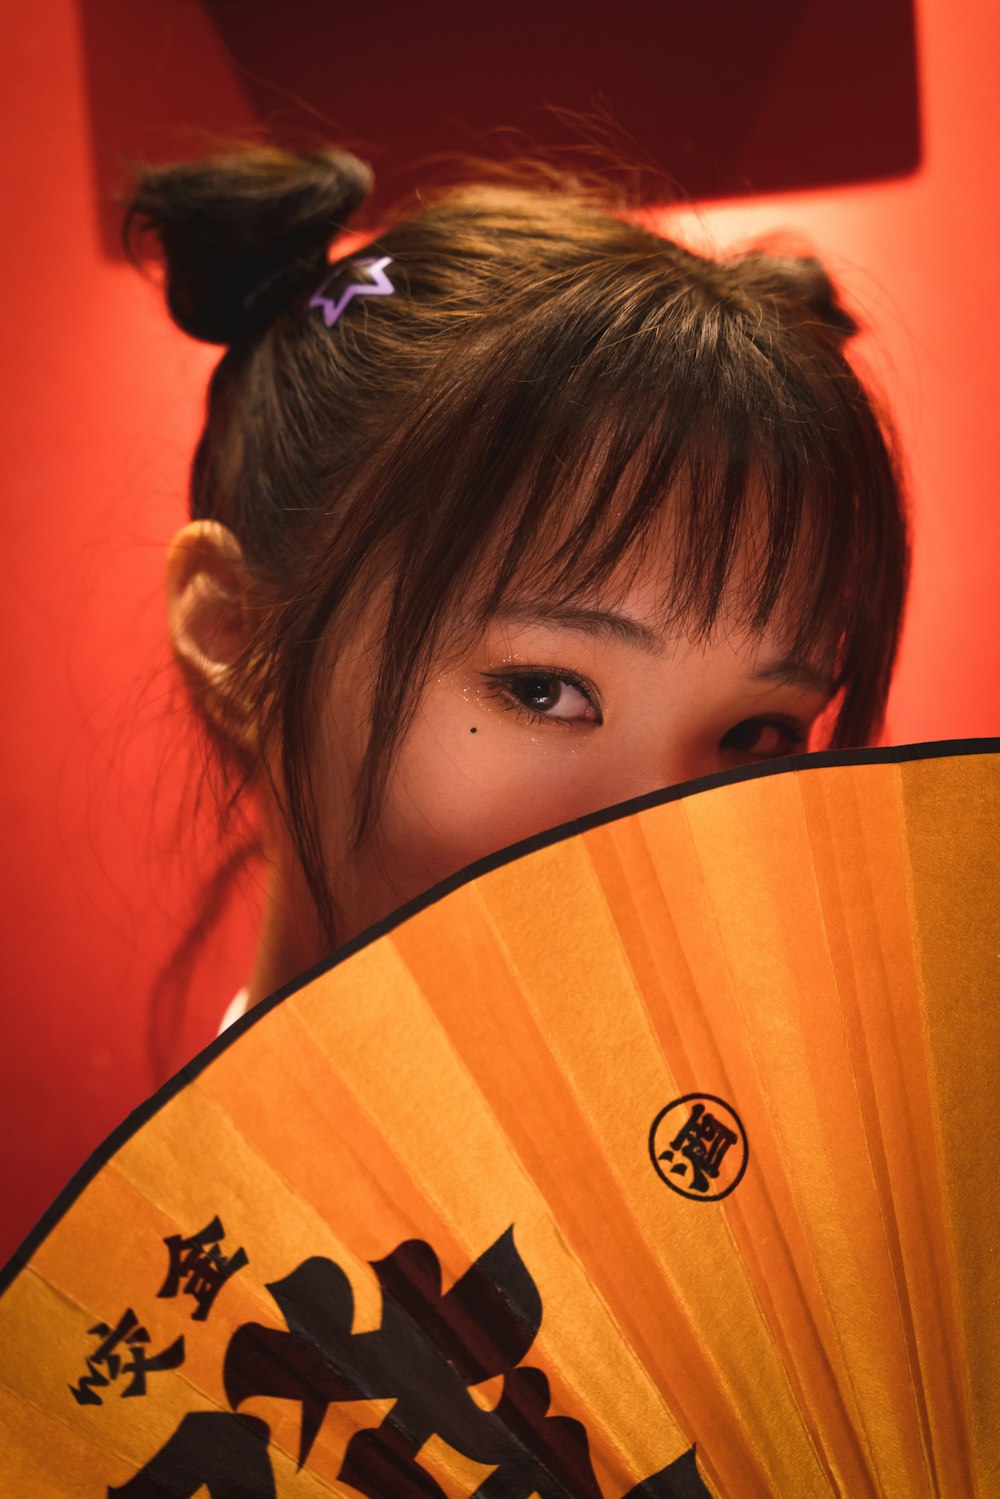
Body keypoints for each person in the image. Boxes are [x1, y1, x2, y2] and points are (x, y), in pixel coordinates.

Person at [125, 146, 909, 1036]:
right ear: (237, 631)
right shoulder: (172, 1182)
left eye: (755, 733)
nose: (667, 844)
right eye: (544, 690)